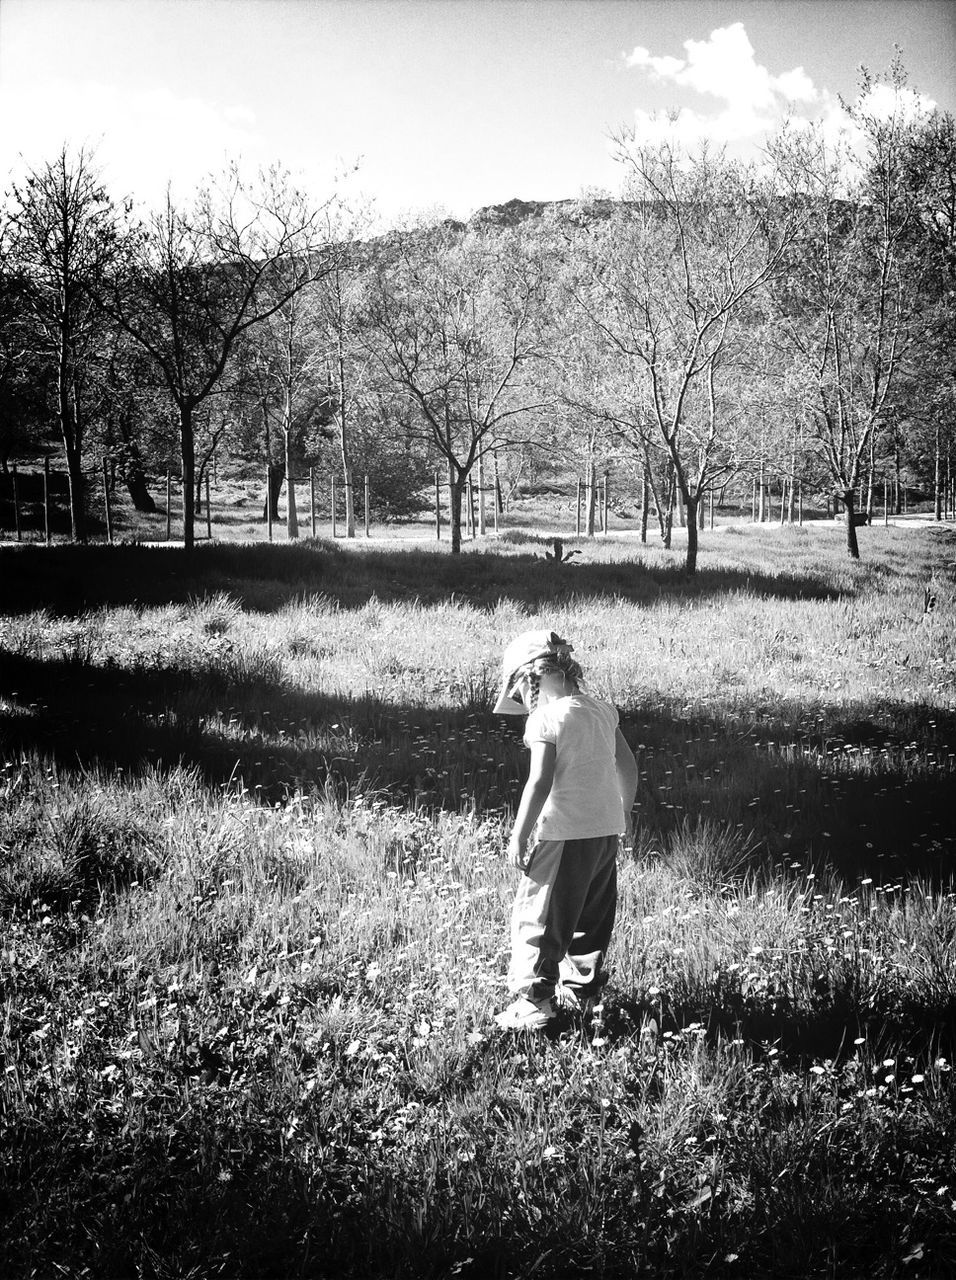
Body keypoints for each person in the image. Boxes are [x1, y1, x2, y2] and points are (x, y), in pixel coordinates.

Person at [492, 629, 638, 1030]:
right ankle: (583, 992)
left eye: (521, 695)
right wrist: (619, 814)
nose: (524, 704)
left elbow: (539, 781)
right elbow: (628, 768)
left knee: (540, 914)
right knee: (591, 914)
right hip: (605, 833)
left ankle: (536, 1001)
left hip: (561, 835)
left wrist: (520, 835)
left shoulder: (546, 717)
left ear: (530, 679)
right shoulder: (603, 711)